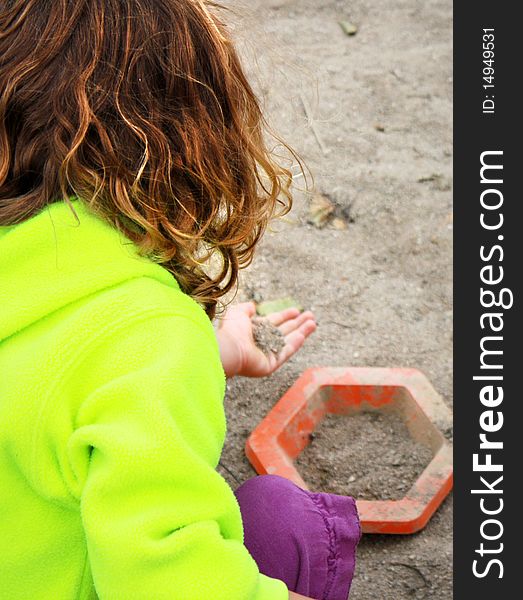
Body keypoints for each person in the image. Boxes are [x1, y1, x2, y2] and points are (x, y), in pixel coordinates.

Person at [0, 1, 361, 598]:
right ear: (185, 144)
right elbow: (163, 576)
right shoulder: (152, 336)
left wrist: (208, 352)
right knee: (283, 518)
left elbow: (41, 381)